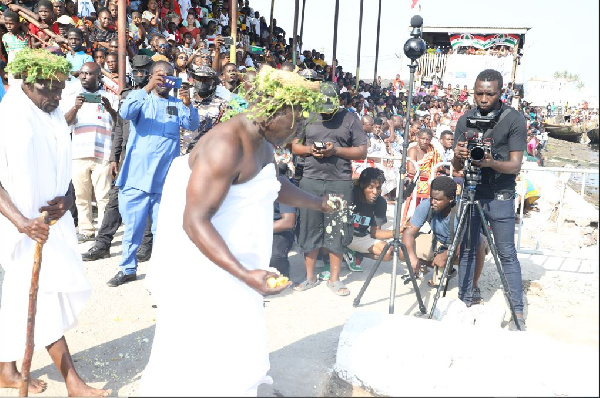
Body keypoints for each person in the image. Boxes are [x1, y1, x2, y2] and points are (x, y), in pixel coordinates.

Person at [139, 65, 337, 396]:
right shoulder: (225, 146)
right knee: (201, 346)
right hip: (207, 263)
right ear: (275, 108)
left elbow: (272, 184)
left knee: (234, 337)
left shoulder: (264, 143)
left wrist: (318, 203)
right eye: (297, 121)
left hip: (239, 261)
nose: (298, 132)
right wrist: (244, 274)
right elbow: (194, 221)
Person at [0, 48, 110, 396]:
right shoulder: (11, 116)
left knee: (19, 298)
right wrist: (22, 223)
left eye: (61, 87)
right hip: (25, 229)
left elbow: (57, 165)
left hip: (51, 223)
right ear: (28, 84)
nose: (57, 95)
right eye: (49, 88)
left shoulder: (49, 114)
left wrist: (64, 198)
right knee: (41, 298)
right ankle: (73, 382)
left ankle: (6, 368)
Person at [106, 60, 200, 287]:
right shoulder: (142, 98)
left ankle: (162, 274)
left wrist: (188, 104)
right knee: (133, 229)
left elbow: (192, 124)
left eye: (168, 76)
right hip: (137, 178)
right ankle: (127, 269)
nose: (164, 79)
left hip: (164, 182)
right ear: (150, 77)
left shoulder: (177, 104)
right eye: (159, 75)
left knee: (163, 231)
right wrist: (147, 88)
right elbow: (126, 113)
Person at [452, 69, 527, 330]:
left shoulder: (514, 119)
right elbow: (456, 166)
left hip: (500, 195)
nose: (483, 99)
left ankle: (517, 311)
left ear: (500, 92)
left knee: (506, 252)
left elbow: (515, 165)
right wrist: (459, 154)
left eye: (489, 94)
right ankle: (464, 301)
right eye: (479, 93)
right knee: (468, 249)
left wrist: (490, 162)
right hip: (471, 191)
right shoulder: (465, 119)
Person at [291, 82, 368, 296]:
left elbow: (362, 151)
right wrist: (310, 150)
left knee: (337, 229)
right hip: (311, 180)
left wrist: (336, 150)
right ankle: (310, 277)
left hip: (339, 182)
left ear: (339, 101)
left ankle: (334, 280)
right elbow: (295, 146)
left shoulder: (350, 119)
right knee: (309, 227)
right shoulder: (309, 115)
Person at [81, 55, 155, 262]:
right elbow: (120, 129)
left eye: (143, 72)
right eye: (137, 72)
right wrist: (114, 157)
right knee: (114, 202)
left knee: (147, 201)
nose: (139, 75)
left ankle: (146, 244)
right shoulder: (127, 95)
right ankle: (102, 244)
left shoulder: (158, 96)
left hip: (148, 158)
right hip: (127, 158)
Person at [62, 61, 118, 243]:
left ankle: (103, 231)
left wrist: (109, 108)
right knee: (81, 195)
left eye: (89, 74)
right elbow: (65, 123)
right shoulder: (73, 96)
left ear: (99, 77)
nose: (84, 77)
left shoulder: (108, 97)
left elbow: (119, 124)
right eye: (82, 74)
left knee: (103, 196)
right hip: (78, 153)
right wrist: (75, 107)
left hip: (103, 153)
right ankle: (86, 229)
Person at [346, 167, 393, 269]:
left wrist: (397, 232)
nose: (375, 192)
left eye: (378, 188)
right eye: (371, 187)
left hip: (359, 237)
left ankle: (356, 253)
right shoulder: (350, 194)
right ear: (362, 185)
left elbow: (375, 233)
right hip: (341, 235)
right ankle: (333, 257)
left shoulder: (380, 202)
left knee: (388, 253)